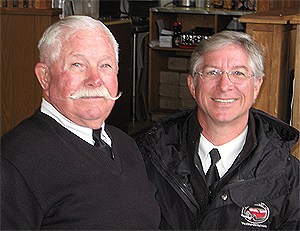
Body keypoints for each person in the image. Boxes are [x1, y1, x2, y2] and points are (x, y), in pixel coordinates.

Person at [1, 15, 161, 230]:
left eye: (105, 65)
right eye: (77, 64)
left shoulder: (126, 145)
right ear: (45, 77)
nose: (95, 79)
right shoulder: (14, 160)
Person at [136, 30, 299, 230]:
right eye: (212, 72)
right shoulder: (147, 157)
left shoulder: (288, 176)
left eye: (238, 73)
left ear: (256, 86)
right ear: (193, 85)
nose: (224, 85)